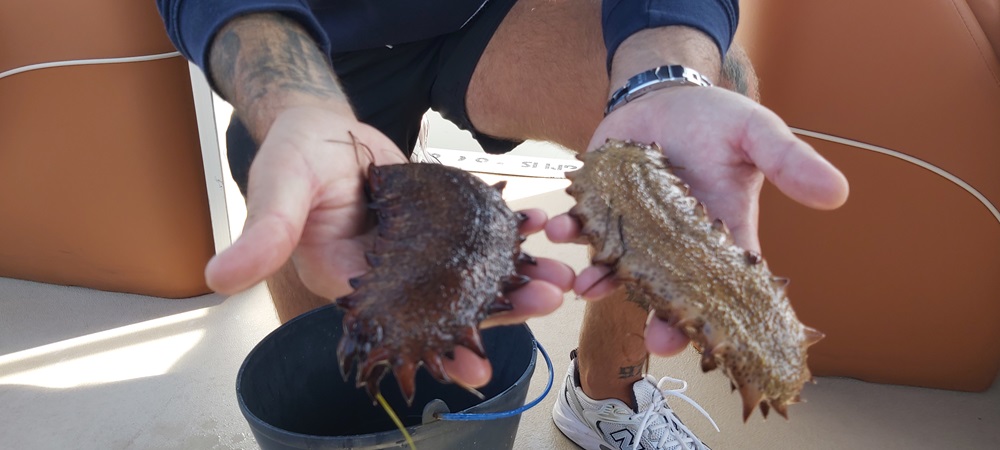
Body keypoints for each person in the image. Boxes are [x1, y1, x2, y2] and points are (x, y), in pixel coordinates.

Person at [157, 1, 849, 448]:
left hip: (492, 10)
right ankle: (355, 420)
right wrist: (289, 102)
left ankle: (606, 396)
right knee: (293, 182)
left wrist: (663, 73)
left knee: (702, 96)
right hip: (312, 29)